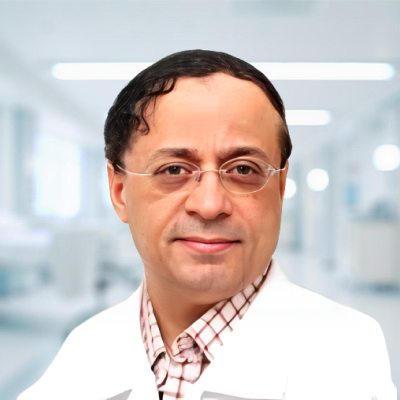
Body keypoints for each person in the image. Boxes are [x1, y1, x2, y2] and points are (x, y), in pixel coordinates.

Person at [17, 50, 396, 400]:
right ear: (119, 192)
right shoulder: (81, 350)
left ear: (280, 188)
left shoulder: (348, 353)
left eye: (244, 169)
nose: (210, 205)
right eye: (174, 170)